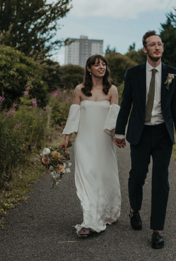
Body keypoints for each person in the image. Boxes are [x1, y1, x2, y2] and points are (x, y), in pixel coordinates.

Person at [114, 30, 176, 249]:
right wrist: (120, 131)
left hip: (163, 133)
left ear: (162, 48)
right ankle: (134, 209)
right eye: (152, 44)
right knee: (137, 176)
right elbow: (126, 103)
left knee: (160, 180)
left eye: (159, 44)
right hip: (140, 132)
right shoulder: (133, 73)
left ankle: (157, 229)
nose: (157, 47)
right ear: (145, 49)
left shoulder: (172, 73)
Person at [59, 54, 121, 237]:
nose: (101, 67)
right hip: (83, 141)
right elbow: (74, 115)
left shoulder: (112, 90)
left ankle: (108, 211)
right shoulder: (80, 90)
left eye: (103, 64)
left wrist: (118, 136)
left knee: (104, 177)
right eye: (96, 65)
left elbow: (114, 117)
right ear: (89, 68)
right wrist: (66, 138)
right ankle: (90, 221)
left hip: (104, 140)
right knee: (86, 179)